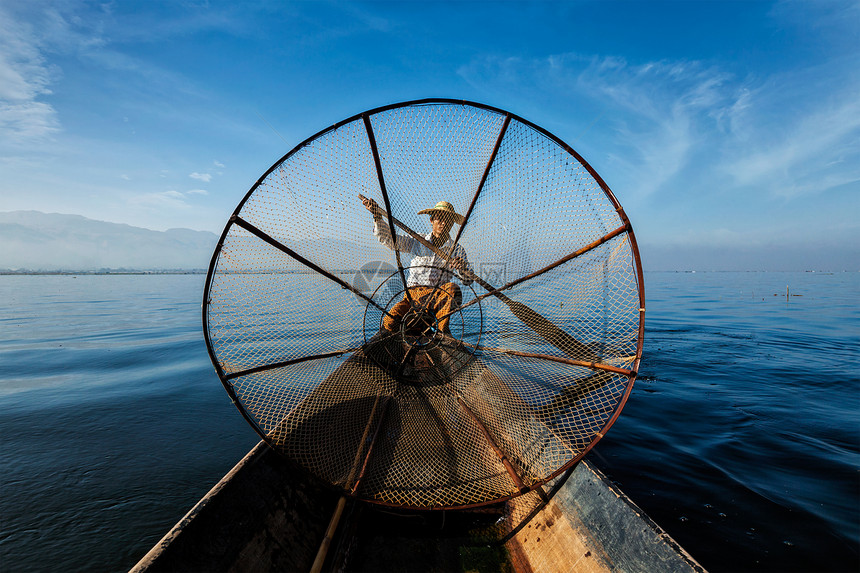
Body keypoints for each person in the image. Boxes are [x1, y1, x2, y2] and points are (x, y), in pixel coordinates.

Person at [361, 196, 473, 334]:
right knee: (390, 323)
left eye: (448, 220)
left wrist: (462, 269)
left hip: (437, 298)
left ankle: (441, 332)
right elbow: (389, 239)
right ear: (431, 220)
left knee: (452, 289)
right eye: (440, 218)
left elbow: (468, 280)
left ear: (451, 224)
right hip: (412, 297)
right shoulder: (418, 240)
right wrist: (377, 216)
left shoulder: (457, 249)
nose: (443, 223)